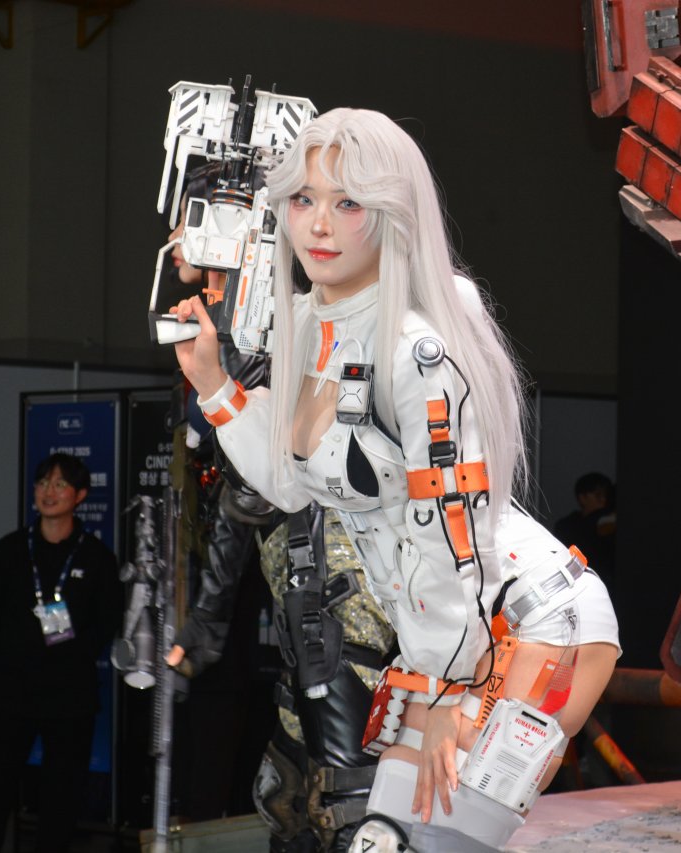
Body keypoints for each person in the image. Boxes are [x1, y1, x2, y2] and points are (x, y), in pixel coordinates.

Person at [171, 108, 621, 852]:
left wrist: (445, 689)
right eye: (303, 199)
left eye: (348, 202)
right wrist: (216, 387)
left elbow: (451, 528)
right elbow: (290, 487)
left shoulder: (417, 349)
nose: (319, 224)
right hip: (444, 644)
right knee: (384, 840)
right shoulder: (308, 326)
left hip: (527, 622)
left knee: (433, 841)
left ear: (392, 214)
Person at [161, 164, 394, 851]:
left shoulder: (274, 323)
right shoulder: (223, 324)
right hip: (300, 588)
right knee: (292, 795)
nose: (176, 241)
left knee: (344, 798)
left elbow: (258, 487)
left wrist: (209, 616)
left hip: (337, 585)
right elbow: (240, 487)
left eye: (191, 220)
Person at [0, 452, 121, 853]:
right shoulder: (9, 550)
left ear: (80, 495)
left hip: (70, 697)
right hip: (13, 692)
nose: (49, 492)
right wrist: (16, 656)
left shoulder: (96, 556)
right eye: (43, 483)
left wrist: (70, 660)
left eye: (60, 484)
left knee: (62, 794)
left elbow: (106, 621)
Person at [551, 471, 616, 592]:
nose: (603, 499)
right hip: (575, 585)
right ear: (583, 497)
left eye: (606, 495)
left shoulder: (609, 521)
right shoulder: (567, 526)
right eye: (598, 495)